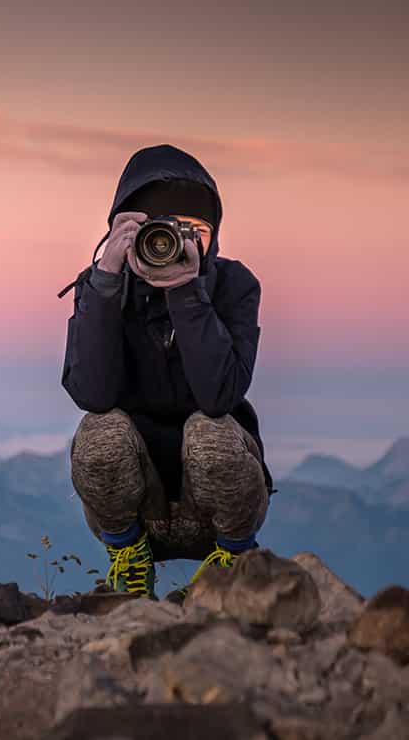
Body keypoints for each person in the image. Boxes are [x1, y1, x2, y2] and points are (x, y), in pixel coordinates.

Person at [57, 143, 273, 599]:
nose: (178, 243)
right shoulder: (100, 287)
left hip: (221, 499)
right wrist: (106, 282)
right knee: (100, 430)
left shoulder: (234, 285)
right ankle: (128, 554)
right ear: (125, 231)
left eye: (197, 231)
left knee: (210, 428)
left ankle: (232, 560)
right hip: (138, 501)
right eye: (161, 230)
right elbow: (92, 394)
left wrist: (186, 293)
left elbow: (219, 396)